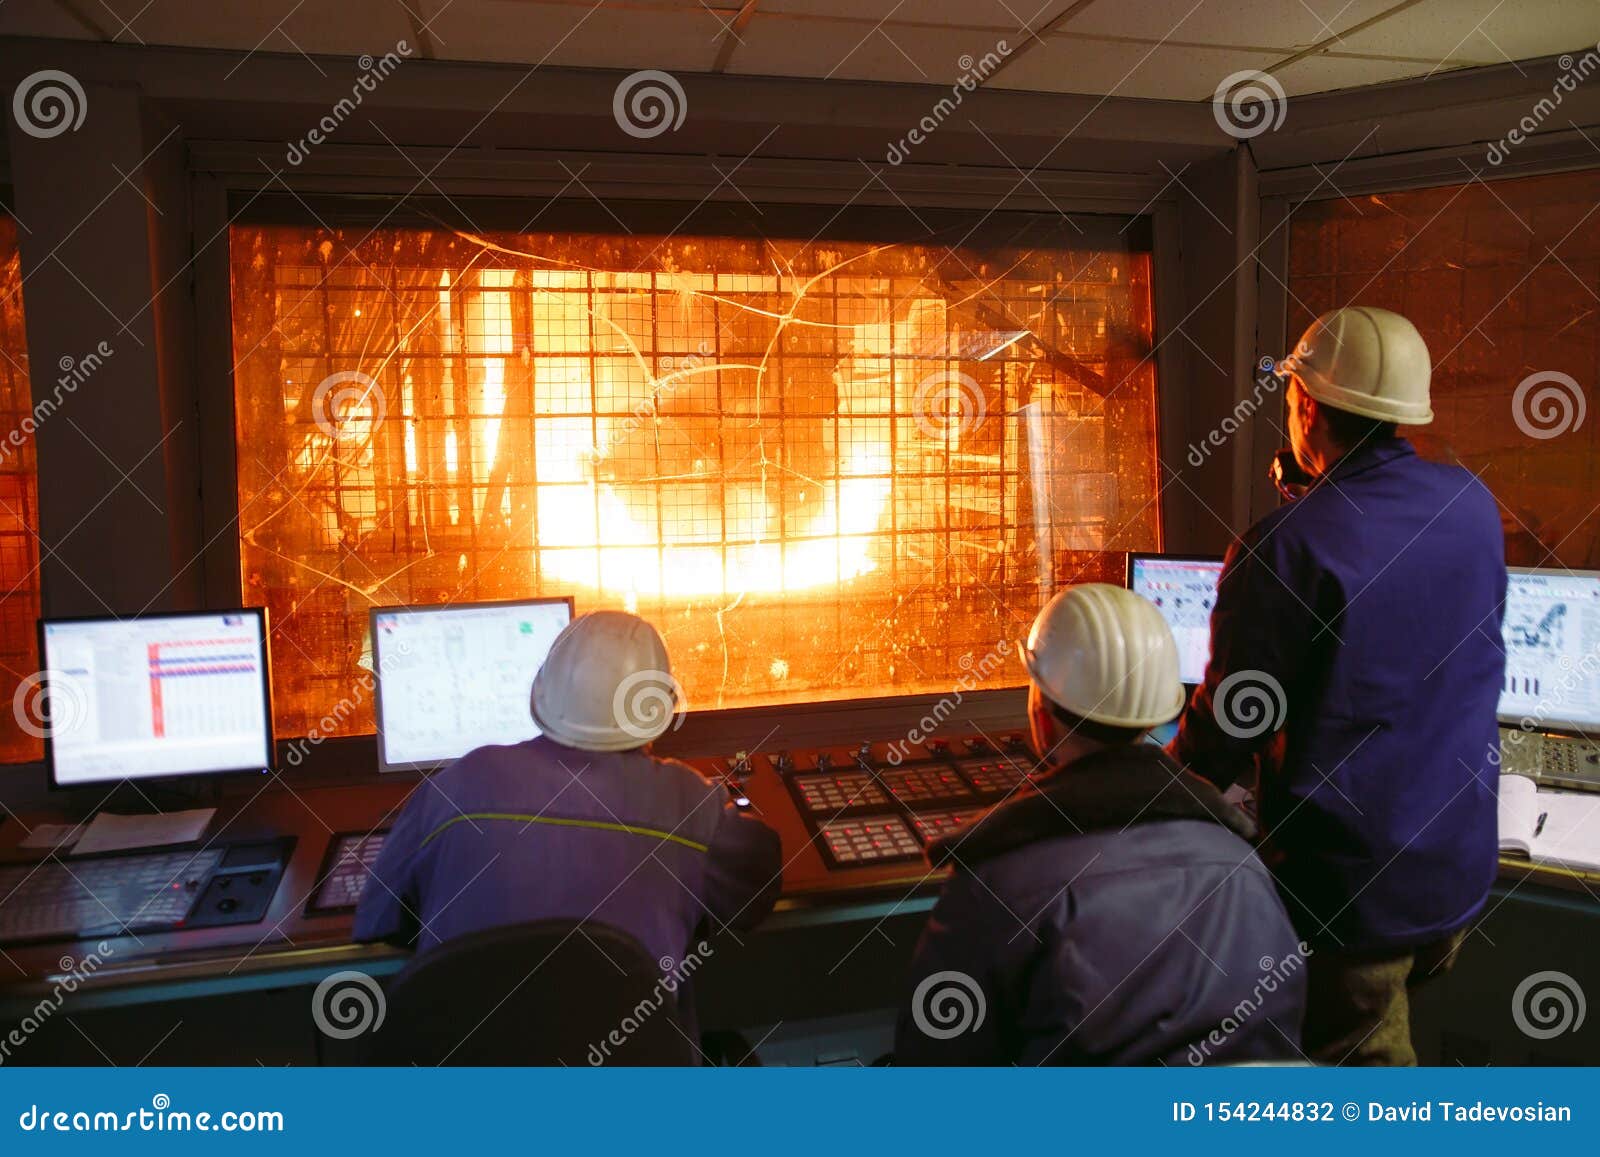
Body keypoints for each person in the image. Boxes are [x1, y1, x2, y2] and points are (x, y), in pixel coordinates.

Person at [1170, 306, 1507, 1066]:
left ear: (1306, 405)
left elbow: (1225, 734)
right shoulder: (1471, 505)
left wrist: (1127, 781)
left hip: (1356, 904)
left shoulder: (1284, 549)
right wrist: (1312, 501)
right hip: (1454, 876)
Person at [895, 584, 1307, 1066]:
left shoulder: (997, 887)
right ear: (1162, 713)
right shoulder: (1245, 865)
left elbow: (935, 1073)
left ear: (1042, 719)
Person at [355, 610, 782, 986]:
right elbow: (755, 895)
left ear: (541, 693)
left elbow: (384, 918)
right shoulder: (690, 806)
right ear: (659, 708)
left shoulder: (458, 785)